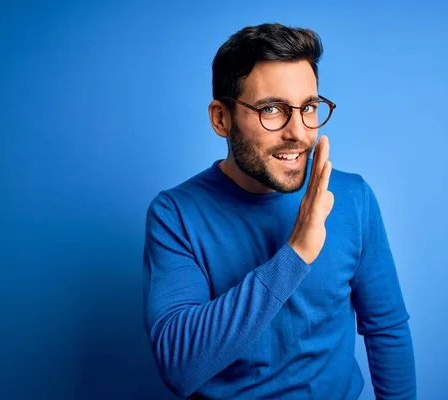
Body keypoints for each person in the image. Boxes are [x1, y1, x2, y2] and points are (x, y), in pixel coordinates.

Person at [142, 23, 416, 399]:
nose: (299, 132)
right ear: (221, 118)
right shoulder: (175, 214)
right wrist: (297, 252)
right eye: (271, 109)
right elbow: (179, 365)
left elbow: (387, 329)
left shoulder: (353, 197)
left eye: (308, 107)